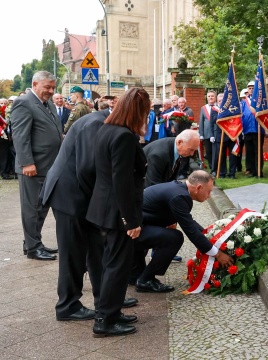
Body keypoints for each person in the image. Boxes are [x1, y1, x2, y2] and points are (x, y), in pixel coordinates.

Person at [40, 107, 139, 322]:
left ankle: (106, 299)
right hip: (69, 195)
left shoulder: (102, 122)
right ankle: (67, 305)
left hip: (81, 195)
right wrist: (100, 204)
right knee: (73, 253)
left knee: (97, 249)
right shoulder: (95, 124)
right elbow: (86, 169)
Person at [85, 87, 149, 337]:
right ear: (137, 111)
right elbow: (121, 181)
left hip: (104, 207)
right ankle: (104, 321)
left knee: (112, 263)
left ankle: (111, 312)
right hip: (117, 212)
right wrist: (129, 220)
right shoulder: (123, 136)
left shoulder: (107, 129)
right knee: (116, 265)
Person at [130, 171, 233, 292]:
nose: (209, 195)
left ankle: (135, 275)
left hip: (136, 227)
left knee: (167, 235)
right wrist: (218, 254)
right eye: (209, 191)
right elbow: (191, 231)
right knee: (174, 238)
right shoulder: (180, 196)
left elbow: (189, 221)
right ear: (199, 188)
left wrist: (209, 234)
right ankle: (145, 280)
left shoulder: (179, 189)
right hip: (131, 232)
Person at [11, 71, 62, 260]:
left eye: (53, 88)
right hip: (33, 167)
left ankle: (33, 242)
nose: (50, 91)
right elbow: (20, 136)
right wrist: (27, 163)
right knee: (32, 208)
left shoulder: (48, 103)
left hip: (49, 166)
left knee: (41, 208)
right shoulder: (23, 103)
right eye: (47, 87)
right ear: (35, 84)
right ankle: (33, 249)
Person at [213, 93, 237, 179]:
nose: (221, 102)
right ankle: (222, 173)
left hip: (231, 135)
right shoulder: (214, 110)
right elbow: (214, 120)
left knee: (233, 156)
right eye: (220, 100)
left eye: (223, 100)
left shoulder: (231, 109)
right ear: (217, 101)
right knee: (221, 156)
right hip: (220, 136)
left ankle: (232, 173)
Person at [199, 91, 218, 172]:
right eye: (209, 96)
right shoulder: (203, 108)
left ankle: (216, 168)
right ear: (207, 98)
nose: (210, 97)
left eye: (212, 96)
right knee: (209, 152)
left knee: (216, 152)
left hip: (216, 132)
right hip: (207, 133)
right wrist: (201, 134)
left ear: (215, 97)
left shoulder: (218, 107)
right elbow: (201, 121)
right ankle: (211, 167)